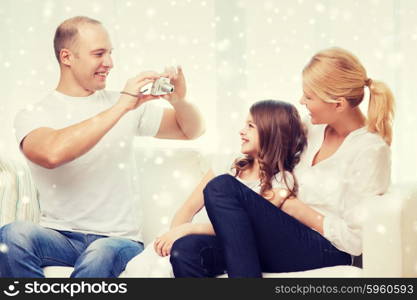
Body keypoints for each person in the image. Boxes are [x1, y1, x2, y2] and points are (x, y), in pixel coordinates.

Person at [0, 16, 205, 278]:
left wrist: (180, 101)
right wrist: (120, 107)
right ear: (67, 57)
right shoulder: (34, 114)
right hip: (59, 237)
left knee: (100, 254)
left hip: (118, 242)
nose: (109, 63)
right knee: (11, 235)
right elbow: (52, 153)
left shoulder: (128, 105)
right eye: (99, 54)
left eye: (110, 53)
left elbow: (191, 130)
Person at [170, 47, 394, 277]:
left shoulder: (370, 150)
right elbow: (270, 140)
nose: (301, 101)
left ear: (338, 104)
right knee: (186, 251)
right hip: (280, 235)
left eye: (309, 97)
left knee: (221, 187)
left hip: (325, 248)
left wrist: (292, 206)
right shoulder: (311, 129)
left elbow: (355, 240)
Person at [121, 99, 307, 277]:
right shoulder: (229, 165)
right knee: (148, 266)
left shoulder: (281, 182)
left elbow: (243, 229)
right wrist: (174, 235)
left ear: (271, 132)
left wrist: (188, 230)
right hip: (188, 237)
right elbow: (187, 209)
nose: (241, 131)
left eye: (250, 126)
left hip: (222, 246)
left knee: (186, 250)